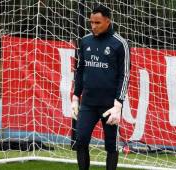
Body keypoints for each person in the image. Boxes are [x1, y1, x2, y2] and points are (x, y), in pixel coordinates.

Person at [71, 5, 130, 170]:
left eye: (98, 22)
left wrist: (118, 104)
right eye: (91, 22)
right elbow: (80, 70)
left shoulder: (120, 43)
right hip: (88, 103)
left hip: (110, 106)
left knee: (111, 145)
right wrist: (76, 97)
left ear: (108, 21)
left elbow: (124, 75)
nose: (94, 26)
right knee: (81, 141)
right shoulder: (85, 41)